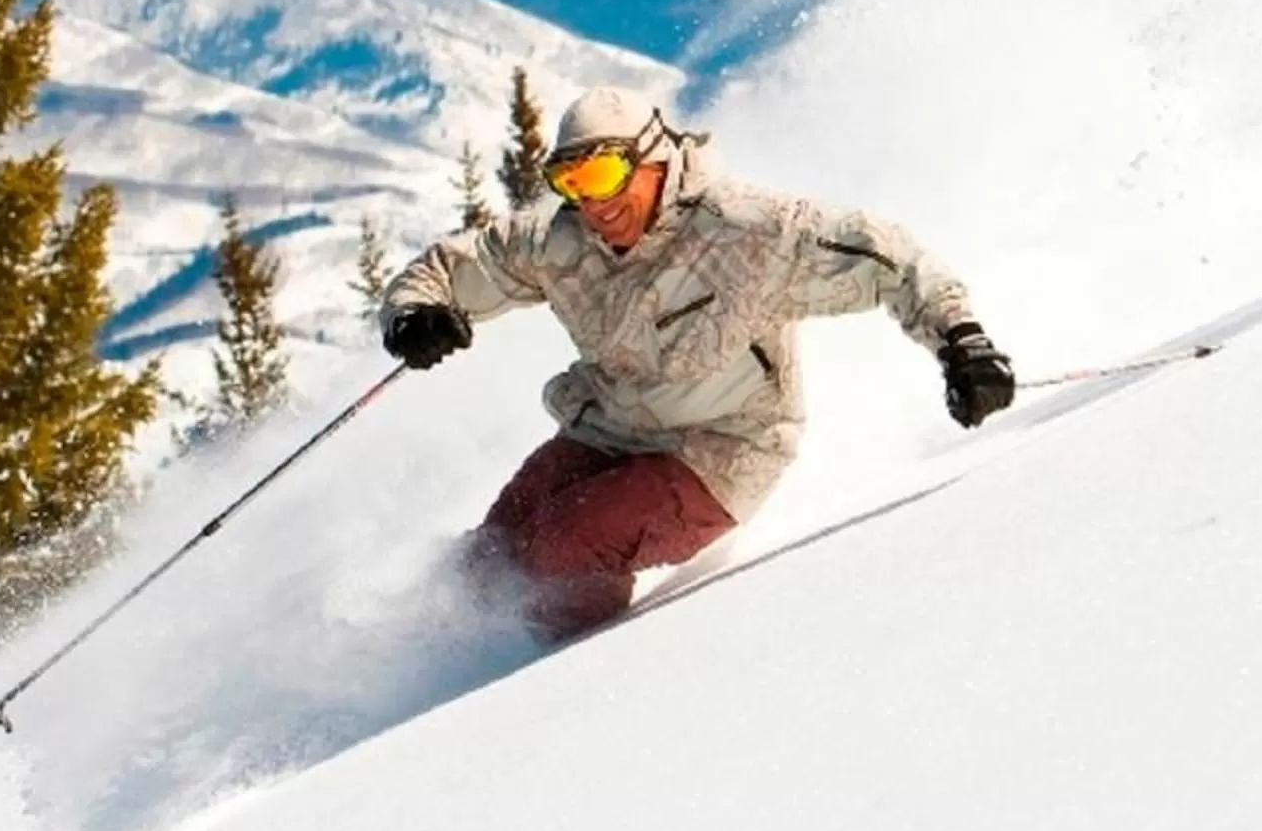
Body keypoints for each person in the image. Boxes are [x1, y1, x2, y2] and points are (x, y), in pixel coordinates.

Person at [381, 85, 1015, 640]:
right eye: (569, 184)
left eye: (600, 177)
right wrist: (416, 313)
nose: (592, 205)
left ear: (653, 159)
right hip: (610, 429)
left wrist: (961, 342)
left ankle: (537, 685)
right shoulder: (563, 241)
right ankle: (423, 663)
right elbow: (456, 266)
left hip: (721, 451)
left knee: (560, 551)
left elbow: (892, 258)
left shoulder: (746, 231)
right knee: (491, 556)